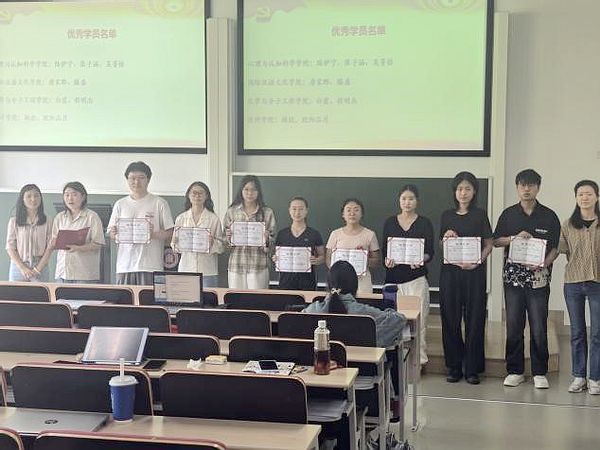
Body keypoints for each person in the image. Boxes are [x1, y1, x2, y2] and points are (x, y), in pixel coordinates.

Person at [494, 169, 560, 389]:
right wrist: (514, 238)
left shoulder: (549, 216)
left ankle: (540, 372)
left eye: (531, 185)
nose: (526, 189)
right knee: (514, 325)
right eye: (522, 185)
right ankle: (515, 370)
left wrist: (544, 263)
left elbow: (555, 248)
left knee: (539, 326)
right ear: (517, 188)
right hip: (513, 280)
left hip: (539, 279)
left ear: (538, 188)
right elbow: (496, 241)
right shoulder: (508, 214)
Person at [439, 172, 493, 385]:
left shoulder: (480, 215)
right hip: (450, 274)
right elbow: (442, 245)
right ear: (455, 192)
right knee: (450, 319)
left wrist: (477, 262)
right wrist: (446, 238)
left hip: (474, 274)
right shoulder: (446, 215)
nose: (463, 193)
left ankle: (472, 368)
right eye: (460, 189)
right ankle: (454, 366)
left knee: (475, 320)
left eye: (468, 189)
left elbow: (489, 244)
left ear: (474, 192)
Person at [382, 184, 434, 368]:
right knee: (394, 321)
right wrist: (387, 260)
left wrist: (421, 259)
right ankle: (397, 361)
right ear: (399, 200)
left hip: (416, 279)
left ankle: (419, 361)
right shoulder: (390, 222)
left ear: (417, 201)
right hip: (393, 281)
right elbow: (385, 252)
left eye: (411, 198)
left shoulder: (425, 223)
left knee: (419, 322)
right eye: (404, 198)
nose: (407, 202)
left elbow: (430, 252)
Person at [303, 260, 406, 348]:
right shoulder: (364, 312)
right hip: (362, 364)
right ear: (355, 286)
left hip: (320, 363)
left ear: (328, 284)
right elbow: (399, 320)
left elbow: (297, 326)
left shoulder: (312, 310)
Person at [558, 180, 600, 395]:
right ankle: (579, 376)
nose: (585, 197)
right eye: (581, 194)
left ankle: (595, 378)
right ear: (576, 198)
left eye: (589, 193)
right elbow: (562, 250)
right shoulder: (567, 225)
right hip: (573, 282)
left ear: (597, 197)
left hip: (598, 283)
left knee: (597, 333)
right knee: (577, 332)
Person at [108, 161, 174, 285]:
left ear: (148, 179)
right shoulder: (120, 204)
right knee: (124, 297)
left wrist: (152, 234)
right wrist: (114, 232)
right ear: (127, 180)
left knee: (148, 298)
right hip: (125, 265)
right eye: (132, 178)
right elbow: (111, 233)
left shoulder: (159, 203)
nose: (136, 182)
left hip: (150, 265)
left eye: (141, 178)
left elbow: (170, 232)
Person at [223, 175, 276, 289]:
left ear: (258, 192)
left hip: (258, 265)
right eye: (246, 189)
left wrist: (267, 239)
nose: (250, 193)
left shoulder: (267, 212)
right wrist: (228, 238)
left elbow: (272, 245)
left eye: (253, 189)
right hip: (236, 265)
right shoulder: (232, 211)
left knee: (257, 299)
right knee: (236, 298)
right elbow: (224, 243)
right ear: (241, 191)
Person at [172, 181, 224, 288]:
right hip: (186, 268)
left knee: (208, 298)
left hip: (207, 270)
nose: (197, 196)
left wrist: (212, 242)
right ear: (188, 195)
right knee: (186, 298)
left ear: (206, 196)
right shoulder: (181, 218)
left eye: (201, 193)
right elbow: (176, 248)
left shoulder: (213, 219)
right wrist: (175, 243)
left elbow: (221, 247)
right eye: (194, 193)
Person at [52, 182, 105, 283]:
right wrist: (54, 242)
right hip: (63, 271)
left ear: (83, 197)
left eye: (74, 194)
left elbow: (98, 244)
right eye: (67, 195)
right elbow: (54, 240)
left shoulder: (92, 217)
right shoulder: (59, 217)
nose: (70, 198)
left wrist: (79, 248)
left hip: (84, 273)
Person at [326, 198, 380, 294]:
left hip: (362, 282)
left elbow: (376, 261)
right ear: (343, 214)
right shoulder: (335, 234)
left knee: (363, 303)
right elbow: (328, 259)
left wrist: (363, 258)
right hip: (339, 281)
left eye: (356, 210)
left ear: (362, 214)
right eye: (348, 210)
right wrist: (337, 273)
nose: (352, 213)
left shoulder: (370, 234)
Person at [273, 197, 324, 290]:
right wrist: (275, 258)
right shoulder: (282, 234)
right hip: (285, 282)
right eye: (294, 209)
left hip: (307, 282)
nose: (297, 212)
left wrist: (317, 260)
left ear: (306, 211)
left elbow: (322, 256)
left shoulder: (314, 234)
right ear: (289, 210)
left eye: (301, 209)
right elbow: (276, 255)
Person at [5, 184, 53, 282]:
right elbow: (10, 247)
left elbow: (50, 247)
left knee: (42, 292)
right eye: (29, 196)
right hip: (18, 267)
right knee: (16, 292)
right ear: (22, 199)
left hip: (41, 266)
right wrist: (23, 268)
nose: (33, 199)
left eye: (36, 196)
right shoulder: (14, 221)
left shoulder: (48, 220)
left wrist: (37, 269)